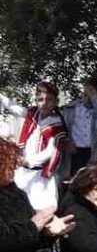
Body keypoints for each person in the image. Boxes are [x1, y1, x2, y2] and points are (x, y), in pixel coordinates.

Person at [16, 82, 65, 213]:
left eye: (49, 100)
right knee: (16, 209)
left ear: (56, 101)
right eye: (40, 99)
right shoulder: (32, 115)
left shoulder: (57, 124)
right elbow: (14, 108)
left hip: (41, 176)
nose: (44, 103)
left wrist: (29, 161)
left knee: (40, 212)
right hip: (22, 172)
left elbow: (51, 151)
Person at [63, 77, 97, 178]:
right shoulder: (71, 109)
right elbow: (62, 128)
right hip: (75, 152)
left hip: (93, 152)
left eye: (93, 92)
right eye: (87, 92)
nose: (89, 95)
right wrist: (67, 141)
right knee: (74, 182)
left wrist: (96, 99)